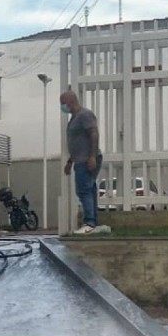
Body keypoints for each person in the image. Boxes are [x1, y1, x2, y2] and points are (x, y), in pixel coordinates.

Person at [60, 91, 111, 235]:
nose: (62, 107)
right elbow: (77, 143)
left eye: (62, 103)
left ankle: (89, 222)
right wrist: (70, 162)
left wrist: (92, 156)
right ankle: (93, 222)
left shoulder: (85, 115)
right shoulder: (74, 118)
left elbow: (94, 134)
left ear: (70, 101)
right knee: (90, 190)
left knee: (83, 190)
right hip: (80, 159)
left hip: (87, 159)